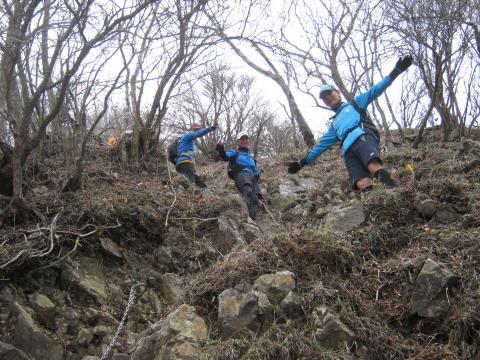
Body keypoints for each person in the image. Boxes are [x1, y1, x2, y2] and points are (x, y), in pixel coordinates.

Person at [288, 55, 414, 192]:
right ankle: (380, 206)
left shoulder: (355, 103)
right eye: (324, 98)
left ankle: (399, 193)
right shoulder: (334, 125)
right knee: (361, 182)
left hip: (362, 137)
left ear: (338, 93)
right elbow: (321, 146)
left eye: (329, 93)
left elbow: (376, 89)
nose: (327, 98)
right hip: (348, 151)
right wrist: (303, 162)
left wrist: (396, 71)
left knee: (373, 166)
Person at [216, 133, 262, 220]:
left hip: (252, 178)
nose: (244, 141)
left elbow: (256, 173)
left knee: (255, 199)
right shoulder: (234, 152)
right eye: (242, 139)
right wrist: (220, 149)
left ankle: (252, 221)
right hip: (241, 175)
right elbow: (225, 156)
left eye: (246, 139)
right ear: (238, 142)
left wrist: (257, 182)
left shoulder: (251, 158)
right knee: (247, 193)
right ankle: (244, 218)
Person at [175, 123, 217, 188]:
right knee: (191, 182)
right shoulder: (187, 135)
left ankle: (204, 188)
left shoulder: (186, 141)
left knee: (193, 180)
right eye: (196, 130)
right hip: (185, 162)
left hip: (182, 163)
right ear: (192, 130)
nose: (197, 132)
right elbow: (197, 133)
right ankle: (192, 193)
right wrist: (209, 129)